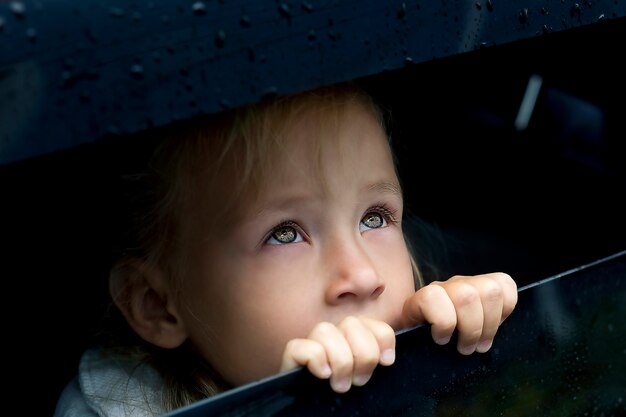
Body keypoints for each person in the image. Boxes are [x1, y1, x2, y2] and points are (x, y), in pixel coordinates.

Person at [54, 82, 518, 417]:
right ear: (158, 306)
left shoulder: (407, 356)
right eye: (284, 233)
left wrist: (449, 351)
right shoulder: (106, 409)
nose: (361, 275)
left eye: (373, 217)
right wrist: (289, 407)